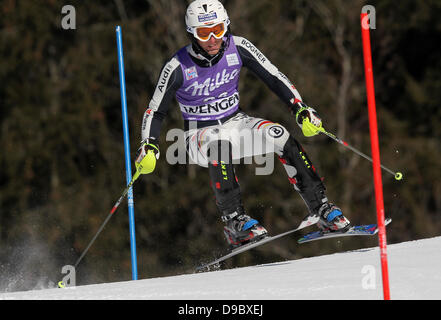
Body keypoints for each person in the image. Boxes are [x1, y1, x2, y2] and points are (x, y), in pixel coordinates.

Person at [135, 0, 350, 248]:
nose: (213, 39)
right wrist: (149, 145)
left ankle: (320, 207)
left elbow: (274, 76)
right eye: (204, 33)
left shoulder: (238, 47)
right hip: (199, 135)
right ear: (191, 34)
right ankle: (234, 221)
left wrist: (299, 108)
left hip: (236, 122)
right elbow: (155, 109)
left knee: (279, 135)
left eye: (218, 29)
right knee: (219, 146)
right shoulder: (178, 65)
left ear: (226, 25)